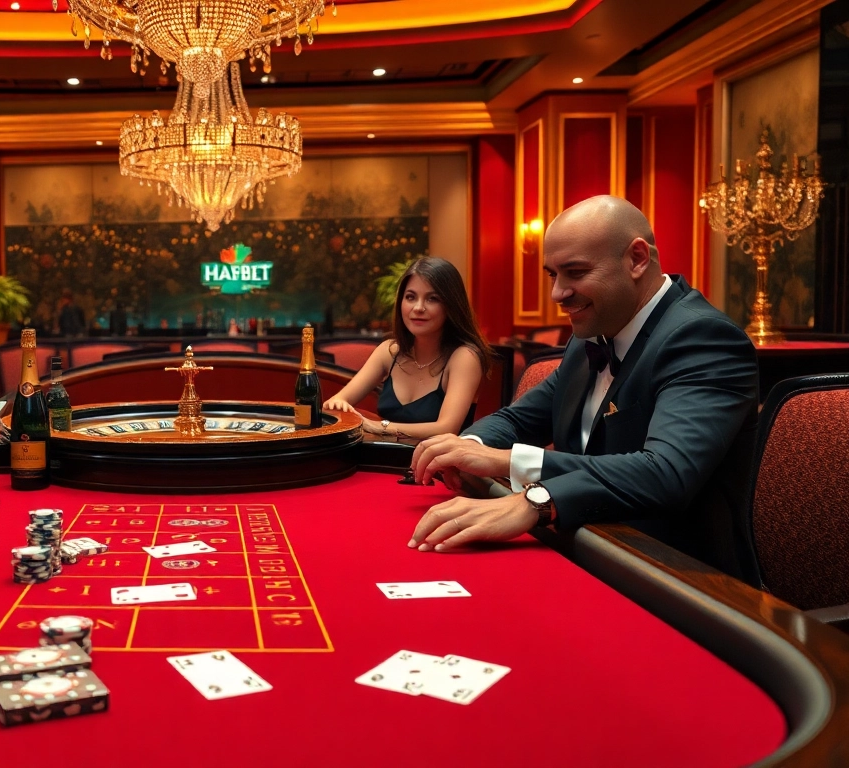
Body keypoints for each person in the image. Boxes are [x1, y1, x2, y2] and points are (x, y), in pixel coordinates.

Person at [407, 196, 760, 583]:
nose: (557, 293)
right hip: (584, 550)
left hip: (679, 582)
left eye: (574, 272)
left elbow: (666, 473)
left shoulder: (703, 338)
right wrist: (470, 448)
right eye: (552, 275)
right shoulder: (590, 337)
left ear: (637, 259)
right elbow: (518, 419)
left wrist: (531, 492)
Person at [324, 256, 491, 440]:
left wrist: (380, 427)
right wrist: (339, 404)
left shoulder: (464, 357)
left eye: (432, 299)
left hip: (437, 464)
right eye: (410, 297)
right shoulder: (389, 351)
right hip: (383, 459)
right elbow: (336, 402)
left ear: (451, 306)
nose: (418, 308)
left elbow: (446, 429)